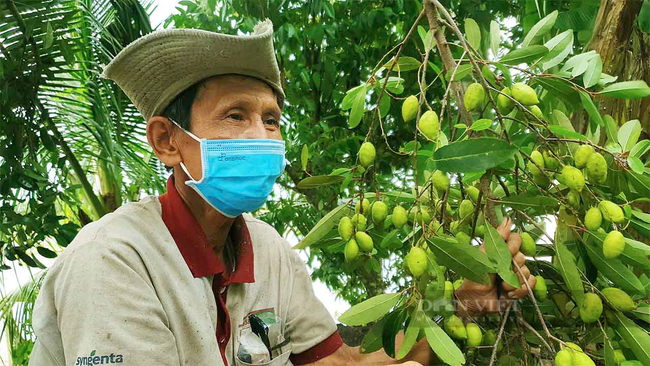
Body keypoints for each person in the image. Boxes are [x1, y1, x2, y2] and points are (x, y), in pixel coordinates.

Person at [28, 20, 535, 366]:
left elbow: (340, 364)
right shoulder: (113, 261)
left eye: (271, 120)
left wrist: (457, 304)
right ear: (167, 141)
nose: (262, 137)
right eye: (235, 115)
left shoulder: (269, 251)